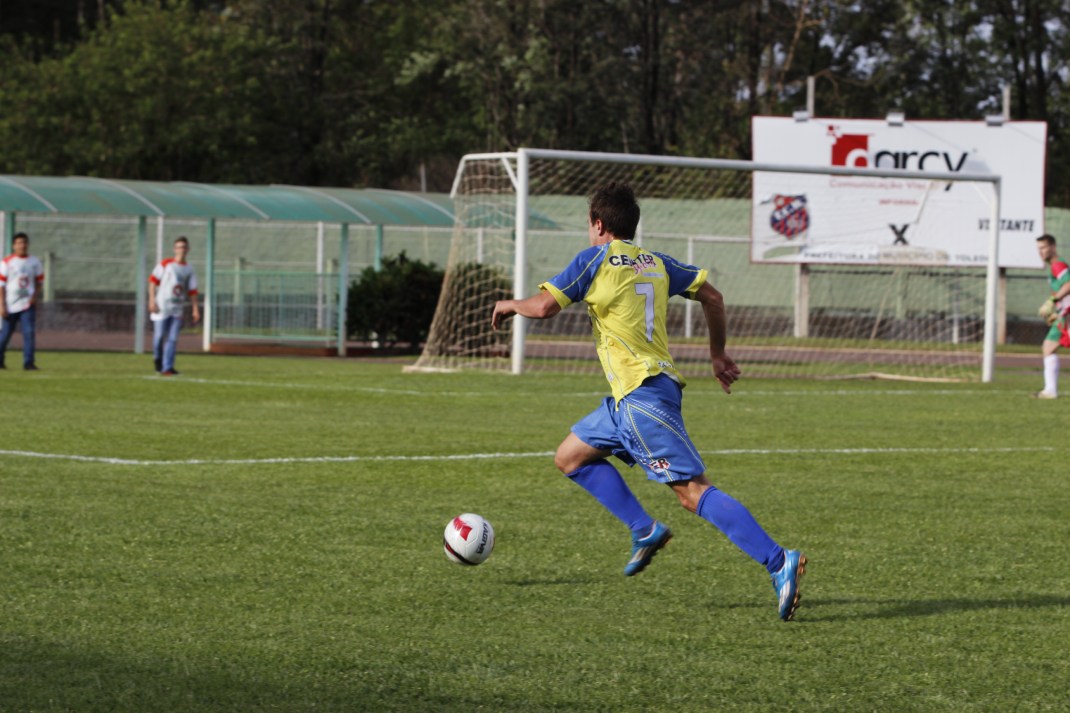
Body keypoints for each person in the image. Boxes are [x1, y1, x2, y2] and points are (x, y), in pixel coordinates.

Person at [491, 182, 807, 621]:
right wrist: (717, 354)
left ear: (598, 224)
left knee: (692, 493)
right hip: (633, 398)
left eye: (589, 224)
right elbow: (712, 296)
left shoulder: (594, 259)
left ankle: (778, 560)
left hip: (641, 399)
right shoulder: (657, 262)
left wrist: (510, 303)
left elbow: (545, 307)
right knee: (570, 457)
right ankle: (645, 529)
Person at [149, 236, 200, 376]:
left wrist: (195, 309)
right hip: (161, 307)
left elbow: (193, 291)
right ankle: (157, 359)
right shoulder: (166, 264)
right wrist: (152, 300)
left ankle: (167, 367)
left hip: (177, 309)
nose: (181, 250)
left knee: (172, 338)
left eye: (184, 247)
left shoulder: (189, 269)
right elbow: (153, 281)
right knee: (159, 336)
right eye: (178, 247)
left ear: (188, 250)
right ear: (174, 249)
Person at [0, 232, 45, 371]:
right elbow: (1, 285)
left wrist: (34, 297)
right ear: (14, 245)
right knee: (5, 334)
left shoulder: (35, 262)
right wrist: (2, 304)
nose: (22, 245)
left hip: (27, 304)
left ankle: (29, 362)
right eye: (19, 243)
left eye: (24, 242)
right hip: (10, 304)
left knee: (29, 332)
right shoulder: (7, 262)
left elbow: (39, 282)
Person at [1034, 234, 1070, 399]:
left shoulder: (1058, 265)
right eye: (1039, 248)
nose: (1040, 251)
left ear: (1053, 247)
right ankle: (1050, 390)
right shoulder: (1053, 267)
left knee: (1049, 347)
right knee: (1048, 346)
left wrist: (1052, 300)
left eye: (1043, 247)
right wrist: (1057, 310)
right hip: (1064, 315)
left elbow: (1069, 284)